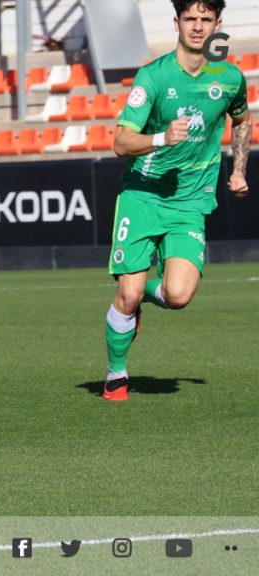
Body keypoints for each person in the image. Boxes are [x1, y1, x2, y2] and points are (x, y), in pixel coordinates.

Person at [104, 0, 250, 401]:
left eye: (206, 20)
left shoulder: (230, 78)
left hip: (189, 203)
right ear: (177, 22)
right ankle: (116, 374)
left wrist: (238, 170)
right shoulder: (152, 76)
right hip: (143, 196)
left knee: (179, 295)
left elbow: (242, 120)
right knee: (127, 295)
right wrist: (161, 138)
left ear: (218, 24)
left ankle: (138, 299)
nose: (198, 27)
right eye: (191, 19)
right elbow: (120, 142)